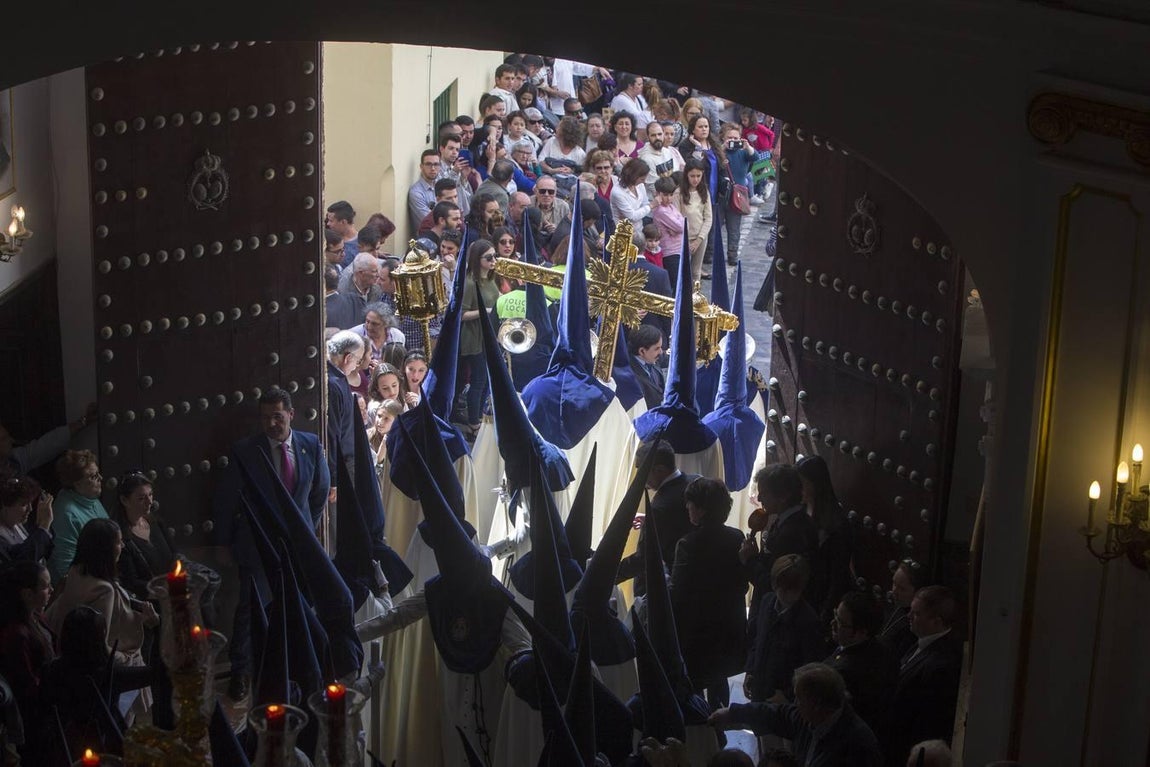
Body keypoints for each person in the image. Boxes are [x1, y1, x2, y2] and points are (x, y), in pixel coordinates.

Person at [214, 386, 332, 700]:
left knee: (300, 605)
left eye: (278, 416)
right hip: (256, 545)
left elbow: (319, 492)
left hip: (298, 545)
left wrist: (306, 527)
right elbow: (228, 500)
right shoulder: (245, 451)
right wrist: (224, 544)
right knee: (250, 609)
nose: (272, 424)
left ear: (291, 414)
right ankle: (241, 672)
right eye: (266, 418)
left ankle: (300, 667)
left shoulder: (310, 444)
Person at [45, 518, 157, 716]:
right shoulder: (104, 591)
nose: (122, 546)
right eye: (118, 542)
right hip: (104, 672)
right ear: (104, 549)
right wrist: (128, 657)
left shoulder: (77, 571)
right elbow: (100, 643)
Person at [709, 663, 884, 767]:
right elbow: (777, 714)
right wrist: (733, 713)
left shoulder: (858, 746)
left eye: (799, 699)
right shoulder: (813, 719)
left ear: (817, 704)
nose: (795, 704)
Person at [670, 477, 748, 709]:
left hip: (697, 628)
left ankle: (699, 731)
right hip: (727, 623)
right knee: (719, 678)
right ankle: (720, 730)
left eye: (690, 504)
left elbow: (679, 592)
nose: (687, 508)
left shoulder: (688, 544)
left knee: (693, 683)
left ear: (702, 510)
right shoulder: (736, 537)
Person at [890, 585, 963, 762]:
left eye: (916, 614)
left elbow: (926, 723)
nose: (908, 616)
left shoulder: (941, 666)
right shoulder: (921, 641)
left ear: (936, 621)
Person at [617, 439, 699, 594]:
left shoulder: (659, 509)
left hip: (671, 585)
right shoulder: (696, 480)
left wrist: (610, 574)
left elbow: (644, 558)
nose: (640, 478)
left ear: (660, 470)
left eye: (642, 471)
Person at [743, 554, 826, 702]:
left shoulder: (808, 620)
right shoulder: (767, 602)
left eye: (792, 590)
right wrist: (750, 671)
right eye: (781, 588)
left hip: (782, 698)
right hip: (760, 687)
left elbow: (810, 667)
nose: (785, 594)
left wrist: (788, 695)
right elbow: (758, 642)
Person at [740, 463, 819, 615]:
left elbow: (774, 584)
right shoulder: (789, 520)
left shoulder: (793, 532)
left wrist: (750, 560)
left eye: (764, 493)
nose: (759, 497)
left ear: (783, 496)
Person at [0, 560, 55, 763]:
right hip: (36, 718)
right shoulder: (16, 633)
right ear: (27, 594)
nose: (51, 589)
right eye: (45, 586)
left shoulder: (35, 617)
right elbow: (26, 685)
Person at [825, 591, 898, 743]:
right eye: (835, 615)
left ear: (861, 632)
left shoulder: (845, 673)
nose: (832, 623)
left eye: (840, 622)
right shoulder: (883, 647)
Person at [796, 455, 854, 620]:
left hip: (820, 595)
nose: (798, 488)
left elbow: (838, 573)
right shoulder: (799, 510)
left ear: (815, 483)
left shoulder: (836, 522)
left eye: (802, 483)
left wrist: (827, 611)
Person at [455, 239, 500, 439]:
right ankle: (474, 422)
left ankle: (480, 417)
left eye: (494, 256)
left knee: (486, 380)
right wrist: (485, 312)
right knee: (479, 381)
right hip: (474, 338)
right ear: (477, 259)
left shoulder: (490, 279)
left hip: (488, 335)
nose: (493, 260)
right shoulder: (470, 282)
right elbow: (461, 315)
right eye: (488, 257)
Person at [46, 450, 110, 585]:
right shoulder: (66, 514)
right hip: (83, 588)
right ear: (76, 483)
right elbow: (65, 568)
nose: (101, 478)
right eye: (93, 476)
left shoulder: (89, 497)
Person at [717, 122, 754, 265]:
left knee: (734, 229)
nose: (733, 140)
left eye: (736, 138)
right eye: (729, 138)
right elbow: (712, 160)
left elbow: (755, 157)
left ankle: (732, 255)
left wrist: (747, 146)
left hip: (737, 196)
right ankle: (712, 254)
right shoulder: (721, 151)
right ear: (723, 137)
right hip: (721, 194)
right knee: (716, 227)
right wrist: (723, 148)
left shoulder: (743, 152)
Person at [675, 157, 713, 282]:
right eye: (692, 176)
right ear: (686, 175)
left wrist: (699, 239)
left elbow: (708, 218)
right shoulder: (679, 193)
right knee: (682, 271)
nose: (695, 179)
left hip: (700, 237)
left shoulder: (704, 192)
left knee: (696, 272)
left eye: (698, 176)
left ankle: (695, 298)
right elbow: (676, 218)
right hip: (683, 237)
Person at [0, 476, 53, 563]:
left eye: (30, 503)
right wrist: (44, 525)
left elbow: (43, 553)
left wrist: (40, 526)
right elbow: (22, 562)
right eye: (24, 504)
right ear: (5, 505)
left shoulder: (18, 523)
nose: (30, 509)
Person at [881, 559, 925, 659]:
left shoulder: (914, 626)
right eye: (894, 584)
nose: (894, 591)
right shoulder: (896, 605)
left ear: (917, 592)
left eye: (902, 589)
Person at [652, 176, 685, 287]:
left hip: (678, 249)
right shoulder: (661, 211)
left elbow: (683, 222)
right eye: (665, 195)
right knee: (675, 284)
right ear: (657, 194)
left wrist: (678, 229)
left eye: (671, 195)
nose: (669, 198)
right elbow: (681, 226)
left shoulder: (670, 207)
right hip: (670, 252)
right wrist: (679, 229)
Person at [638, 120, 685, 196]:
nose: (657, 138)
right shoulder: (646, 158)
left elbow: (676, 174)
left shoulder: (667, 151)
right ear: (648, 137)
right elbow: (653, 187)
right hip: (657, 200)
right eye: (653, 135)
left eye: (659, 134)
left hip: (673, 196)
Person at [610, 158, 652, 231]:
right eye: (642, 179)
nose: (644, 181)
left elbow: (645, 203)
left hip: (639, 228)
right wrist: (651, 206)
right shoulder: (617, 192)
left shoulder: (640, 185)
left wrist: (639, 212)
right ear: (633, 176)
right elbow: (632, 216)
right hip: (623, 233)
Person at [408, 149, 442, 234]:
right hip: (427, 239)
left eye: (436, 164)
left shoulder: (441, 184)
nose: (433, 168)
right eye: (428, 164)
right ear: (421, 166)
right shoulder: (416, 192)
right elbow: (431, 221)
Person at [326, 200, 359, 267]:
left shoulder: (362, 244)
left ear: (343, 222)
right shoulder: (326, 238)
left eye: (331, 221)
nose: (328, 224)